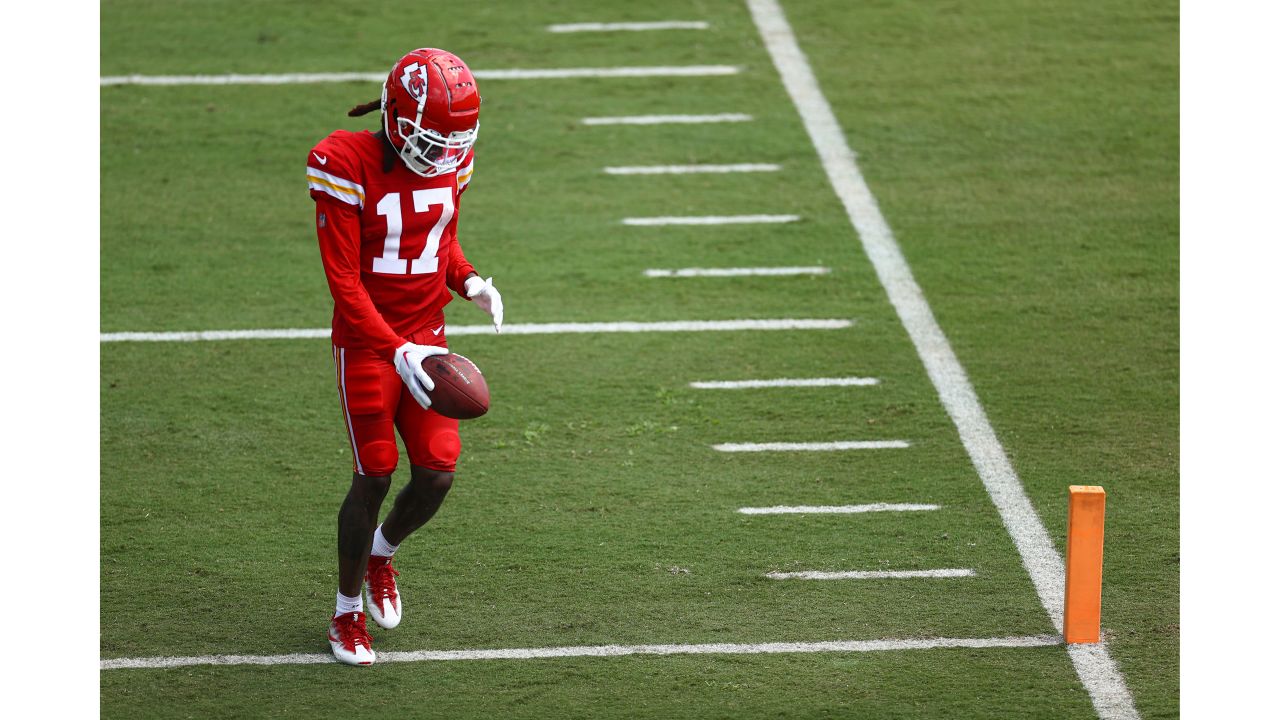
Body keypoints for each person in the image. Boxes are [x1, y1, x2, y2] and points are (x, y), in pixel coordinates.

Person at [306, 48, 504, 666]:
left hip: (427, 334)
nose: (442, 154)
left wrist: (469, 280)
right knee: (375, 473)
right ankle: (345, 615)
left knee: (438, 469)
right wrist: (397, 351)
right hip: (370, 344)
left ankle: (381, 555)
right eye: (430, 138)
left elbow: (439, 237)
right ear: (394, 116)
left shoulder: (450, 161)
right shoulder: (345, 161)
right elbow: (344, 280)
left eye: (453, 141)